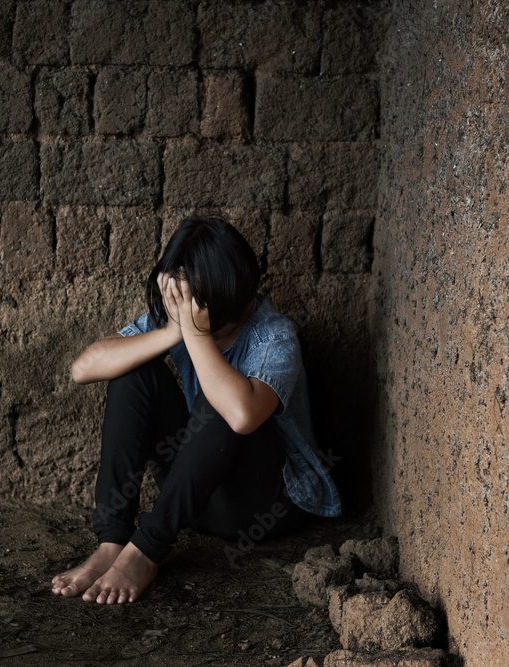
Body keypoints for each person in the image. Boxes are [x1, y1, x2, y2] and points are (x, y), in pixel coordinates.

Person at [51, 216, 342, 604]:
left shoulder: (274, 335)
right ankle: (112, 542)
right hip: (194, 498)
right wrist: (173, 331)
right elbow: (84, 368)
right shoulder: (181, 316)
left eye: (196, 306)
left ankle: (146, 552)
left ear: (232, 297)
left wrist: (196, 335)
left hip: (260, 507)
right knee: (132, 372)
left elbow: (241, 415)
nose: (187, 312)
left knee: (224, 391)